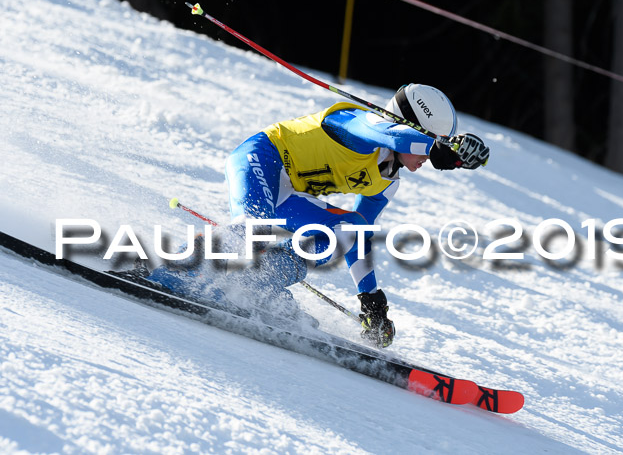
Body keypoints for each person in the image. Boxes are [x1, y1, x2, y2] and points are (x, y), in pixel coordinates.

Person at [148, 84, 490, 347]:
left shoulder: (386, 180)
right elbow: (385, 132)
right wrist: (433, 145)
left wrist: (371, 301)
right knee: (255, 229)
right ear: (411, 127)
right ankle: (169, 269)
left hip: (287, 192)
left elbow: (359, 232)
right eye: (430, 144)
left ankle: (259, 283)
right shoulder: (356, 121)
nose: (426, 160)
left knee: (346, 230)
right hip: (261, 158)